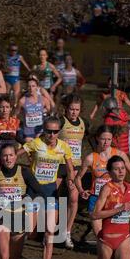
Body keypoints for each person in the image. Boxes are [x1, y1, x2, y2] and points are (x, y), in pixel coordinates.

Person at [18, 117, 75, 259]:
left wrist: (71, 180)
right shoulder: (35, 143)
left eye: (55, 131)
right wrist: (9, 159)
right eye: (48, 131)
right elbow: (17, 154)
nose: (51, 134)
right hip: (34, 191)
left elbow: (70, 168)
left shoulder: (63, 147)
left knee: (50, 232)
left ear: (59, 132)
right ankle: (11, 255)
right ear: (44, 130)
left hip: (51, 192)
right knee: (29, 231)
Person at [75, 125, 130, 238]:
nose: (106, 142)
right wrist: (81, 191)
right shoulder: (91, 158)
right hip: (96, 199)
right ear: (97, 138)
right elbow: (77, 178)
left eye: (109, 139)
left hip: (114, 199)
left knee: (113, 237)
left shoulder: (119, 155)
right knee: (101, 237)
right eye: (103, 139)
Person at [58, 94, 89, 249]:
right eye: (71, 109)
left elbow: (91, 140)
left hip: (75, 166)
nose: (74, 112)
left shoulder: (83, 124)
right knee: (54, 197)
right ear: (66, 108)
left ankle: (67, 233)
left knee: (74, 198)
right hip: (58, 164)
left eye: (77, 109)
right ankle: (50, 229)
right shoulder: (61, 121)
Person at [15, 77, 50, 142]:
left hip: (40, 129)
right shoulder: (22, 101)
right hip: (28, 130)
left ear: (37, 87)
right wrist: (17, 126)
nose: (31, 88)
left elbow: (48, 108)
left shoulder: (43, 99)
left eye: (33, 86)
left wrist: (42, 111)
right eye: (29, 86)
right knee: (29, 149)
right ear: (27, 87)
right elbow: (16, 114)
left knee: (39, 147)